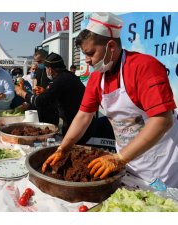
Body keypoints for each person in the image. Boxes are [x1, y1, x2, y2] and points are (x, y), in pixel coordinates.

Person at [42, 12, 178, 188]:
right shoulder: (97, 77)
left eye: (90, 53)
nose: (87, 60)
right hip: (126, 162)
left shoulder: (144, 67)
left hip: (160, 163)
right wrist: (64, 148)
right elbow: (84, 116)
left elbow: (162, 120)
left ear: (111, 46)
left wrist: (120, 158)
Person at [15, 52, 94, 139]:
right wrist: (45, 92)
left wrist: (22, 93)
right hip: (76, 121)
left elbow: (40, 101)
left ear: (50, 69)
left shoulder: (61, 79)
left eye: (46, 68)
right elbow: (55, 95)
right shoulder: (68, 76)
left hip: (78, 124)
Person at [32, 50, 59, 126]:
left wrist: (45, 91)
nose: (38, 63)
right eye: (36, 61)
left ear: (46, 58)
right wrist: (35, 89)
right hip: (40, 106)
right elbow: (35, 84)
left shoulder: (54, 71)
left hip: (52, 108)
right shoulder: (39, 71)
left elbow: (56, 89)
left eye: (40, 61)